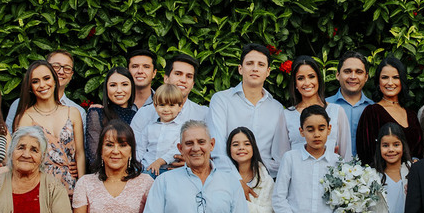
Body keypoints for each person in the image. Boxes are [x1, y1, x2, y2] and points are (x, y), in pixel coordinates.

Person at [207, 43, 290, 174]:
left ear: (268, 72)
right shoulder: (221, 100)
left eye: (261, 65)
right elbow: (217, 148)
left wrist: (262, 178)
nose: (255, 69)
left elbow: (280, 156)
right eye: (250, 63)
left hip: (265, 180)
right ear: (240, 69)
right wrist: (236, 180)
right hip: (227, 176)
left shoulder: (277, 108)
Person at [13, 59, 86, 194]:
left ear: (54, 80)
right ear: (30, 87)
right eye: (35, 81)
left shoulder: (73, 113)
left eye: (46, 78)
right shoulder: (26, 118)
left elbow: (80, 153)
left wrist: (82, 189)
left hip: (72, 187)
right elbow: (22, 157)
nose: (42, 85)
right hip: (40, 189)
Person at [129, 53, 210, 151]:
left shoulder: (204, 114)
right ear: (166, 78)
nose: (183, 80)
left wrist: (190, 159)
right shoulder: (144, 114)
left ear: (192, 84)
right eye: (178, 74)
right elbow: (132, 149)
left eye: (189, 76)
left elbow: (212, 150)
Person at [284, 56, 353, 159]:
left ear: (319, 79)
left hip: (330, 173)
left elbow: (346, 155)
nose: (307, 83)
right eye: (300, 78)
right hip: (297, 174)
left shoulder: (336, 111)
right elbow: (280, 156)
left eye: (311, 76)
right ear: (295, 84)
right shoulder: (287, 115)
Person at [356, 56, 421, 164]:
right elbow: (366, 154)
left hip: (413, 177)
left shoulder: (412, 115)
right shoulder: (372, 112)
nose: (390, 83)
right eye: (385, 77)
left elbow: (420, 152)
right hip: (382, 178)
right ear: (378, 81)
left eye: (396, 77)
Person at [5, 50, 87, 130]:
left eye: (67, 68)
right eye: (56, 66)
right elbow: (10, 140)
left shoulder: (79, 112)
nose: (61, 71)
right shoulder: (19, 104)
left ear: (71, 75)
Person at [84, 67, 137, 168]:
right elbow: (94, 157)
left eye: (125, 84)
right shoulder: (97, 113)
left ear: (132, 87)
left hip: (133, 174)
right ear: (106, 88)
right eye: (113, 85)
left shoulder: (138, 116)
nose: (119, 90)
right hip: (103, 177)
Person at [137, 83, 188, 175]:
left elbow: (175, 150)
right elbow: (140, 149)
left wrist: (160, 161)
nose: (166, 109)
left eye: (171, 105)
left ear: (180, 107)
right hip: (147, 168)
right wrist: (135, 164)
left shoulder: (182, 129)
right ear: (155, 106)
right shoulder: (149, 128)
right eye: (162, 105)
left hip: (168, 170)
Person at [329, 50, 374, 145]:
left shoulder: (374, 109)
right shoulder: (324, 106)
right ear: (337, 75)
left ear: (366, 77)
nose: (353, 76)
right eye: (347, 71)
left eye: (359, 72)